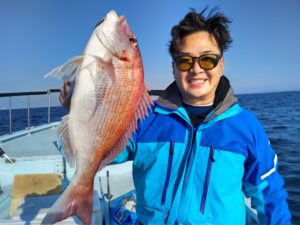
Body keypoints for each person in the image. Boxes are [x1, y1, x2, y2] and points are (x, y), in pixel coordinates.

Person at [59, 7, 291, 225]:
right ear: (173, 67)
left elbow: (269, 193)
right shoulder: (146, 119)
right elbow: (106, 149)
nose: (196, 69)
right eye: (184, 61)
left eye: (207, 59)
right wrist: (81, 106)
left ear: (221, 65)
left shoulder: (246, 128)